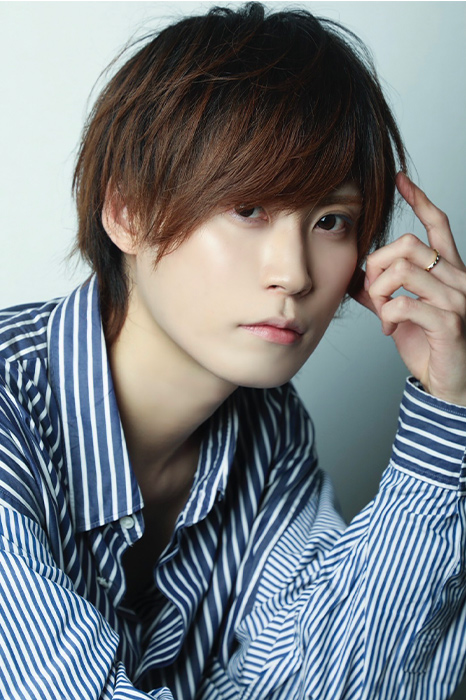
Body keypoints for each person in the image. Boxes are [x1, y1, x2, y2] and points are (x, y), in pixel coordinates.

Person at [0, 3, 465, 699]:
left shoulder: (268, 430)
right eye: (249, 209)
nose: (295, 273)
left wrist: (448, 409)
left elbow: (344, 684)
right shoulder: (12, 414)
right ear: (126, 212)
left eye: (330, 221)